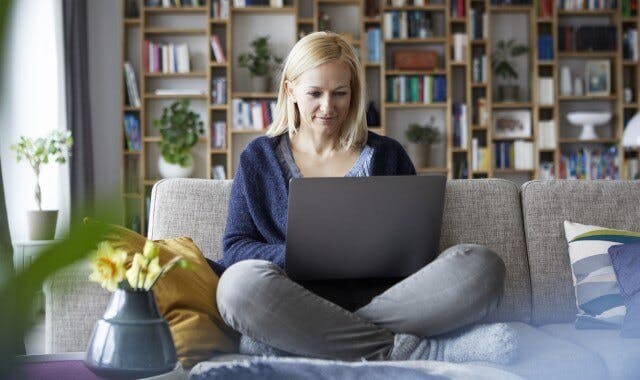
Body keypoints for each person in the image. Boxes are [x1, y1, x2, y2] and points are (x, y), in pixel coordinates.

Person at [215, 31, 517, 364]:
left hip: (389, 301)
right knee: (237, 288)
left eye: (340, 93)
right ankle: (414, 350)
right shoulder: (258, 158)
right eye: (315, 93)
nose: (328, 107)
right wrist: (300, 255)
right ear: (291, 90)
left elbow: (415, 249)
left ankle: (306, 340)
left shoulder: (387, 155)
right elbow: (235, 248)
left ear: (353, 92)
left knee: (483, 266)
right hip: (294, 301)